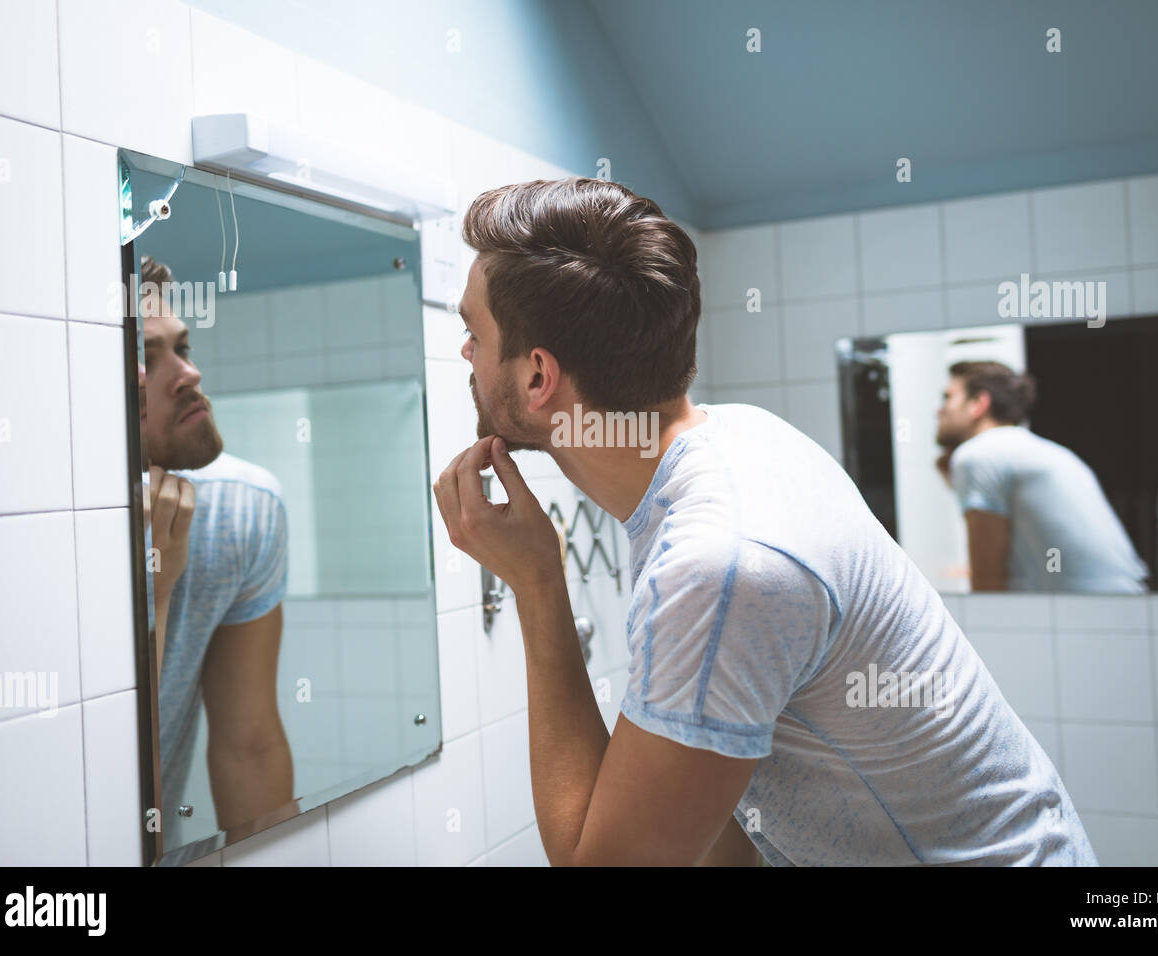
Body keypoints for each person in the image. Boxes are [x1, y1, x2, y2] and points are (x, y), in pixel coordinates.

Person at [432, 177, 1097, 866]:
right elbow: (716, 806)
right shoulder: (739, 442)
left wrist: (538, 589)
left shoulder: (718, 562)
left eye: (472, 333)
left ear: (540, 378)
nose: (465, 354)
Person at [138, 255, 296, 851]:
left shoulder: (239, 509)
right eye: (147, 361)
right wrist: (153, 587)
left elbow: (248, 745)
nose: (188, 375)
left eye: (183, 347)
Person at [934, 361, 1149, 593]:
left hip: (1083, 617)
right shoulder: (1048, 451)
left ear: (978, 403)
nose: (939, 410)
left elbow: (988, 584)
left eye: (948, 397)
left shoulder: (977, 454)